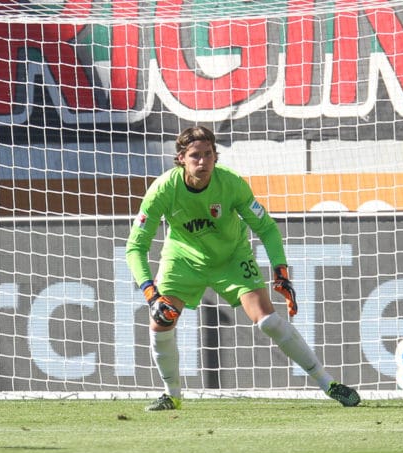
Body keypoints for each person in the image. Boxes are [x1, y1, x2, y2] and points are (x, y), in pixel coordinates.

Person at [126, 125, 361, 410]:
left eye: (208, 155)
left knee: (269, 321)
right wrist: (152, 296)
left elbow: (267, 228)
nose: (202, 162)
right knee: (160, 322)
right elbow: (135, 247)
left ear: (215, 156)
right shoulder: (163, 189)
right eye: (195, 156)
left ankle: (329, 384)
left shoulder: (231, 184)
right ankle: (172, 394)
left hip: (232, 258)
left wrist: (280, 271)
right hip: (183, 259)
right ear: (181, 159)